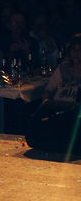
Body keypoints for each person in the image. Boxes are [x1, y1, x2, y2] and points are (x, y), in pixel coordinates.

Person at [25, 32, 81, 160]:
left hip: (73, 111)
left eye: (80, 50)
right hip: (57, 108)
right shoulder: (63, 68)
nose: (76, 53)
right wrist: (46, 104)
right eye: (74, 50)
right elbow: (48, 90)